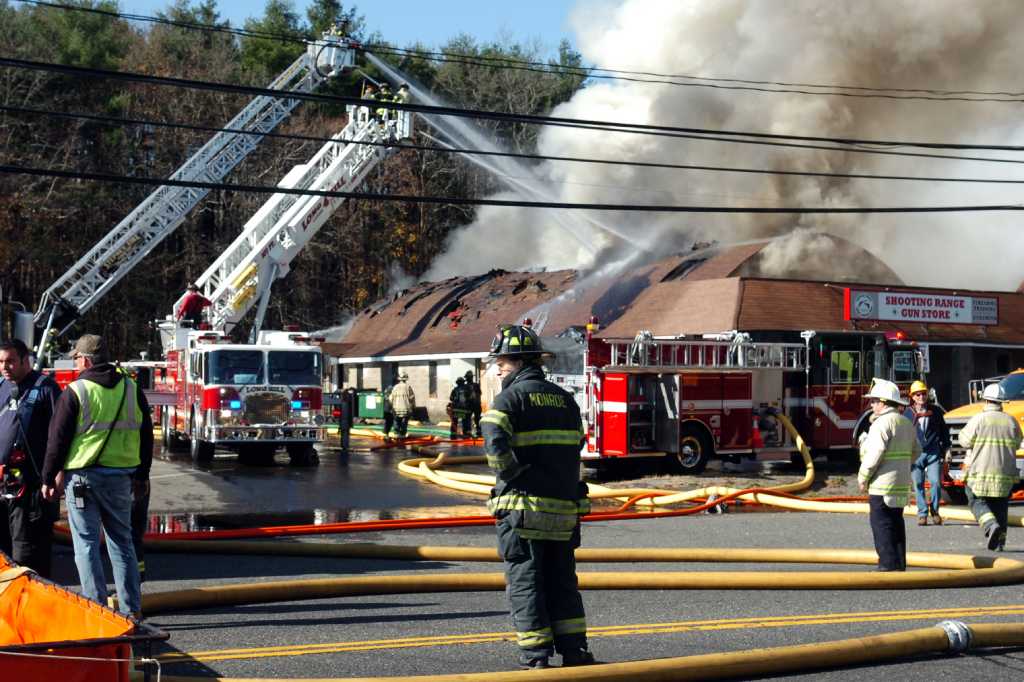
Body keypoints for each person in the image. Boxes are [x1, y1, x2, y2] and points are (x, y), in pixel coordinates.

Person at [480, 324, 594, 669]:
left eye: (502, 361)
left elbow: (493, 437)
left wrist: (512, 473)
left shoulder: (510, 398)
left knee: (526, 583)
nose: (498, 368)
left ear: (519, 361)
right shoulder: (565, 400)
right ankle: (574, 650)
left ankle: (536, 656)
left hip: (523, 512)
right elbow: (577, 443)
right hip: (562, 512)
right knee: (562, 583)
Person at [41, 335, 153, 617]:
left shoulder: (76, 391)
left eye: (77, 357)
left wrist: (47, 476)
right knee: (122, 542)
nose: (76, 362)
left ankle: (97, 611)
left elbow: (58, 439)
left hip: (82, 478)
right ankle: (132, 611)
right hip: (120, 477)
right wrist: (142, 475)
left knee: (86, 544)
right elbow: (146, 434)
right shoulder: (131, 388)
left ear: (87, 360)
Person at [0, 339, 61, 578]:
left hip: (31, 490)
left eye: (11, 361)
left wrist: (57, 476)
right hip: (4, 485)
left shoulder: (46, 388)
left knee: (27, 554)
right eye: (1, 362)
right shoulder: (2, 386)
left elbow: (61, 437)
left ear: (26, 360)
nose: (5, 367)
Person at [858, 377, 919, 572]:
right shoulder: (905, 422)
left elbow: (874, 454)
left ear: (883, 403)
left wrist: (863, 478)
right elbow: (917, 450)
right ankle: (899, 564)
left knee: (881, 526)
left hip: (881, 486)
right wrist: (902, 464)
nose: (872, 404)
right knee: (896, 524)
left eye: (874, 401)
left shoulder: (881, 424)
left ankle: (887, 565)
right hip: (900, 484)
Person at [958, 383, 1023, 551]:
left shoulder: (979, 419)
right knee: (1000, 505)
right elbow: (1017, 443)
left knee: (975, 498)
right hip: (1005, 473)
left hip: (981, 472)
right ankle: (1000, 542)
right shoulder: (1011, 421)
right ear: (1002, 402)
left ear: (985, 400)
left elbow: (964, 441)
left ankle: (989, 525)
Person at [904, 380, 950, 526]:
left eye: (923, 393)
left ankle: (935, 511)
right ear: (912, 396)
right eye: (917, 394)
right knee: (918, 483)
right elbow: (903, 433)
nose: (921, 397)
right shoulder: (908, 413)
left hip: (933, 452)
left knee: (935, 483)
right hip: (915, 454)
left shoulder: (935, 411)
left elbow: (944, 431)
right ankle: (922, 513)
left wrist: (947, 449)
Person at [389, 373, 415, 438]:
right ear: (406, 379)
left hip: (396, 408)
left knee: (396, 421)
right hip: (406, 408)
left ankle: (396, 434)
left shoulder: (395, 387)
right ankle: (403, 435)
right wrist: (413, 407)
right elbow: (412, 398)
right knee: (404, 422)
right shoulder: (408, 387)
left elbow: (390, 398)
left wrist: (391, 407)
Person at [465, 370, 482, 438]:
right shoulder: (475, 385)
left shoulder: (470, 386)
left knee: (470, 419)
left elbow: (479, 393)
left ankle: (471, 432)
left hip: (472, 405)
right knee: (472, 419)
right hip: (474, 405)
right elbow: (480, 393)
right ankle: (476, 432)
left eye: (468, 377)